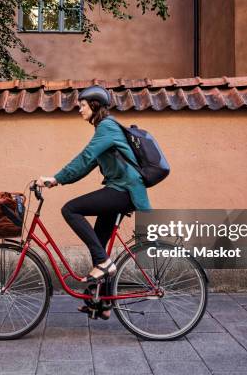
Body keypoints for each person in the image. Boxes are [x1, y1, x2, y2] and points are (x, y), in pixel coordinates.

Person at [37, 85, 151, 319]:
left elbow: (85, 157)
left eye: (82, 105)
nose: (79, 109)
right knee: (98, 244)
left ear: (94, 105)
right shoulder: (104, 129)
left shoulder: (107, 127)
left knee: (70, 209)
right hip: (119, 190)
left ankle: (105, 267)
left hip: (124, 191)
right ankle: (103, 303)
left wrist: (55, 178)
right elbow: (88, 165)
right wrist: (58, 181)